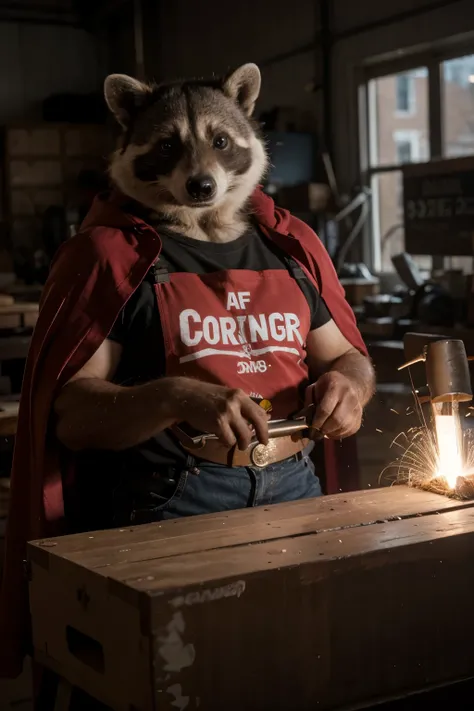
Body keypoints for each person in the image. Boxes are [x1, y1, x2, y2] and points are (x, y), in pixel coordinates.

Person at [0, 63, 374, 680]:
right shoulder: (110, 256)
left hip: (297, 487)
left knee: (305, 662)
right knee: (197, 675)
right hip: (175, 501)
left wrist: (350, 386)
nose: (200, 169)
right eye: (170, 147)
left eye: (220, 142)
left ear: (247, 136)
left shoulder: (289, 245)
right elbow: (72, 414)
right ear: (132, 146)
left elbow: (347, 358)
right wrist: (175, 397)